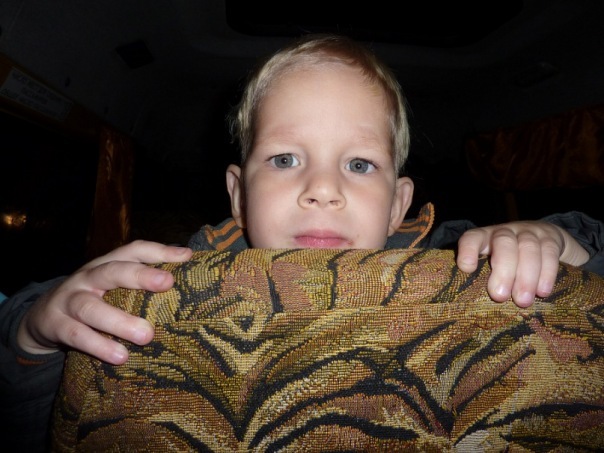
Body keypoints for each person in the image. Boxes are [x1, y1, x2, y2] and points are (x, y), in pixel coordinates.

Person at [2, 33, 603, 451]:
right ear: (239, 195)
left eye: (360, 165)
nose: (322, 189)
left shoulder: (455, 258)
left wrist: (558, 241)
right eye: (286, 159)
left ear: (398, 204)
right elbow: (40, 416)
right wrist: (34, 334)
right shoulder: (179, 276)